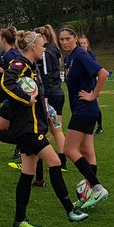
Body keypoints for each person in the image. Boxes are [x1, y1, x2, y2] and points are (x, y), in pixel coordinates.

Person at [0, 30, 89, 227]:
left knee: (28, 173)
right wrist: (25, 98)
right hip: (28, 129)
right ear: (32, 47)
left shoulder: (33, 68)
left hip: (35, 126)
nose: (44, 48)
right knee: (55, 161)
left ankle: (20, 220)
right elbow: (6, 83)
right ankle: (70, 210)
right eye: (41, 45)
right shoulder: (19, 64)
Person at [58, 25, 109, 209]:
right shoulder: (70, 57)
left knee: (69, 149)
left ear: (75, 38)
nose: (64, 42)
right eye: (61, 39)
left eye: (67, 38)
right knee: (87, 152)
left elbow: (103, 74)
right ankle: (90, 196)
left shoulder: (80, 54)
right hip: (83, 110)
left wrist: (93, 95)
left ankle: (97, 187)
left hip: (85, 109)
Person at [35, 24, 68, 168]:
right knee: (57, 129)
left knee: (43, 130)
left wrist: (45, 95)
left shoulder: (45, 51)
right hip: (58, 92)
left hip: (50, 94)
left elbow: (46, 74)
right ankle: (63, 162)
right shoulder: (55, 49)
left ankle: (37, 162)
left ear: (43, 37)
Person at [78, 34, 104, 134]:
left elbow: (97, 71)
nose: (82, 45)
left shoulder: (91, 55)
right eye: (80, 44)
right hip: (82, 86)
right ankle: (86, 127)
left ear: (87, 44)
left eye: (84, 43)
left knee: (95, 106)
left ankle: (99, 126)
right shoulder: (77, 55)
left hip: (92, 85)